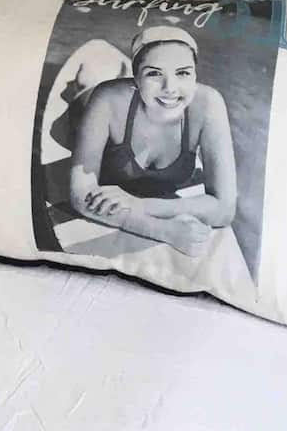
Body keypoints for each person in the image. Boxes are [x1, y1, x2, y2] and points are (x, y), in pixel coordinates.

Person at [68, 23, 238, 258]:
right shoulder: (107, 98)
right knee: (84, 94)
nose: (170, 88)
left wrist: (139, 205)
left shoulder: (209, 103)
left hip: (136, 98)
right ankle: (84, 84)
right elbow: (80, 194)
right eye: (154, 73)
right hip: (88, 109)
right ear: (136, 77)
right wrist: (163, 230)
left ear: (195, 75)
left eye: (183, 73)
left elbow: (225, 209)